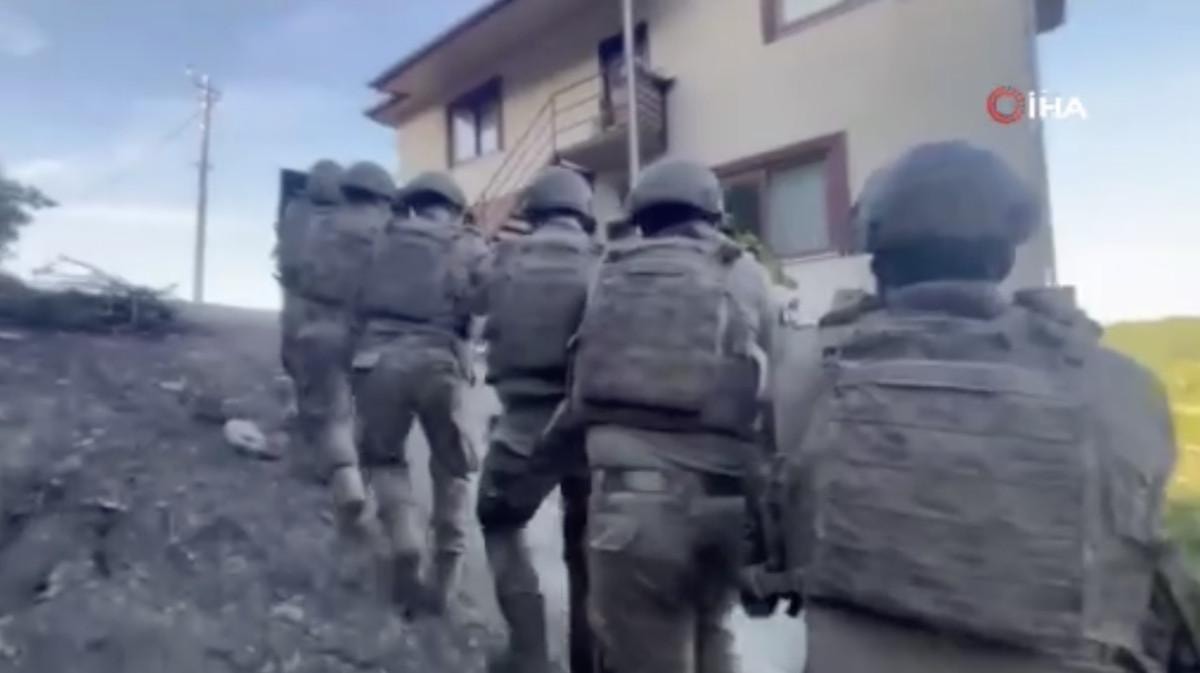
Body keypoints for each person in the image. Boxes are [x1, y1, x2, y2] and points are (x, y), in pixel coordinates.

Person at [744, 140, 1178, 673]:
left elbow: (779, 533)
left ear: (876, 262)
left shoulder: (807, 369)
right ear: (1005, 257)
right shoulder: (1122, 386)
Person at [549, 157, 775, 673]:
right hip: (727, 506)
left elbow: (578, 390)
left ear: (641, 216)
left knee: (648, 652)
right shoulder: (746, 273)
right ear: (713, 214)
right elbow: (776, 398)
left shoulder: (608, 272)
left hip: (633, 513)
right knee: (714, 631)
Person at [475, 166, 603, 673]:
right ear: (583, 213)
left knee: (500, 521)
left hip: (521, 427)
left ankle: (528, 652)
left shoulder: (503, 259)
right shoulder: (603, 262)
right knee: (586, 550)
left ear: (534, 212)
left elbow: (470, 309)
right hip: (587, 428)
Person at [351, 170, 488, 616]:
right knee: (453, 470)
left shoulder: (378, 240)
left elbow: (353, 300)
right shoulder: (469, 245)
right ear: (454, 209)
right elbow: (482, 308)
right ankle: (444, 583)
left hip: (377, 361)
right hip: (440, 364)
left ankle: (406, 542)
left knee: (385, 461)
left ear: (413, 204)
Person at [287, 160, 394, 532]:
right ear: (382, 195)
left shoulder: (319, 226)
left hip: (323, 327)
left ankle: (346, 480)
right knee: (371, 416)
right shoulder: (390, 231)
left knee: (334, 414)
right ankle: (377, 499)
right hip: (372, 334)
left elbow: (298, 276)